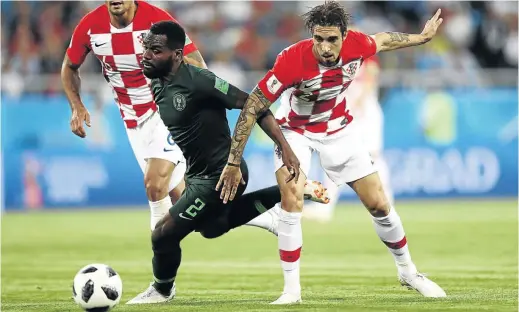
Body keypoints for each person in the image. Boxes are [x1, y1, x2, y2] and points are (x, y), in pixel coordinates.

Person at [218, 1, 447, 304]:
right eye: (318, 39)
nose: (325, 47)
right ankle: (291, 292)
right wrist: (234, 161)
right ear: (311, 35)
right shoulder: (291, 60)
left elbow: (382, 40)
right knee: (292, 198)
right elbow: (253, 105)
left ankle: (409, 272)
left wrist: (421, 38)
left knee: (379, 204)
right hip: (294, 132)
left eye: (332, 39)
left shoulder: (358, 44)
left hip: (339, 128)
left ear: (344, 35)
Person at [126, 21, 327, 304]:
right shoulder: (157, 79)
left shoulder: (200, 81)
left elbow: (254, 105)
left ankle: (162, 289)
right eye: (146, 48)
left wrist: (285, 147)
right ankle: (284, 194)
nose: (146, 55)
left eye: (155, 50)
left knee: (162, 234)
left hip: (221, 175)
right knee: (211, 227)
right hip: (197, 174)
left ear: (177, 55)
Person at [61, 0, 288, 235]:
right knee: (193, 211)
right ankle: (268, 218)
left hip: (165, 111)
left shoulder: (157, 21)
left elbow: (196, 63)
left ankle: (160, 251)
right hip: (132, 120)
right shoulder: (89, 26)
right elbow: (69, 67)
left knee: (154, 185)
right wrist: (76, 106)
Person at [304, 51, 394, 222]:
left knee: (373, 157)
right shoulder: (335, 58)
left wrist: (359, 101)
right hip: (347, 113)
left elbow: (371, 76)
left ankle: (387, 202)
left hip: (365, 114)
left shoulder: (364, 52)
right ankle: (325, 206)